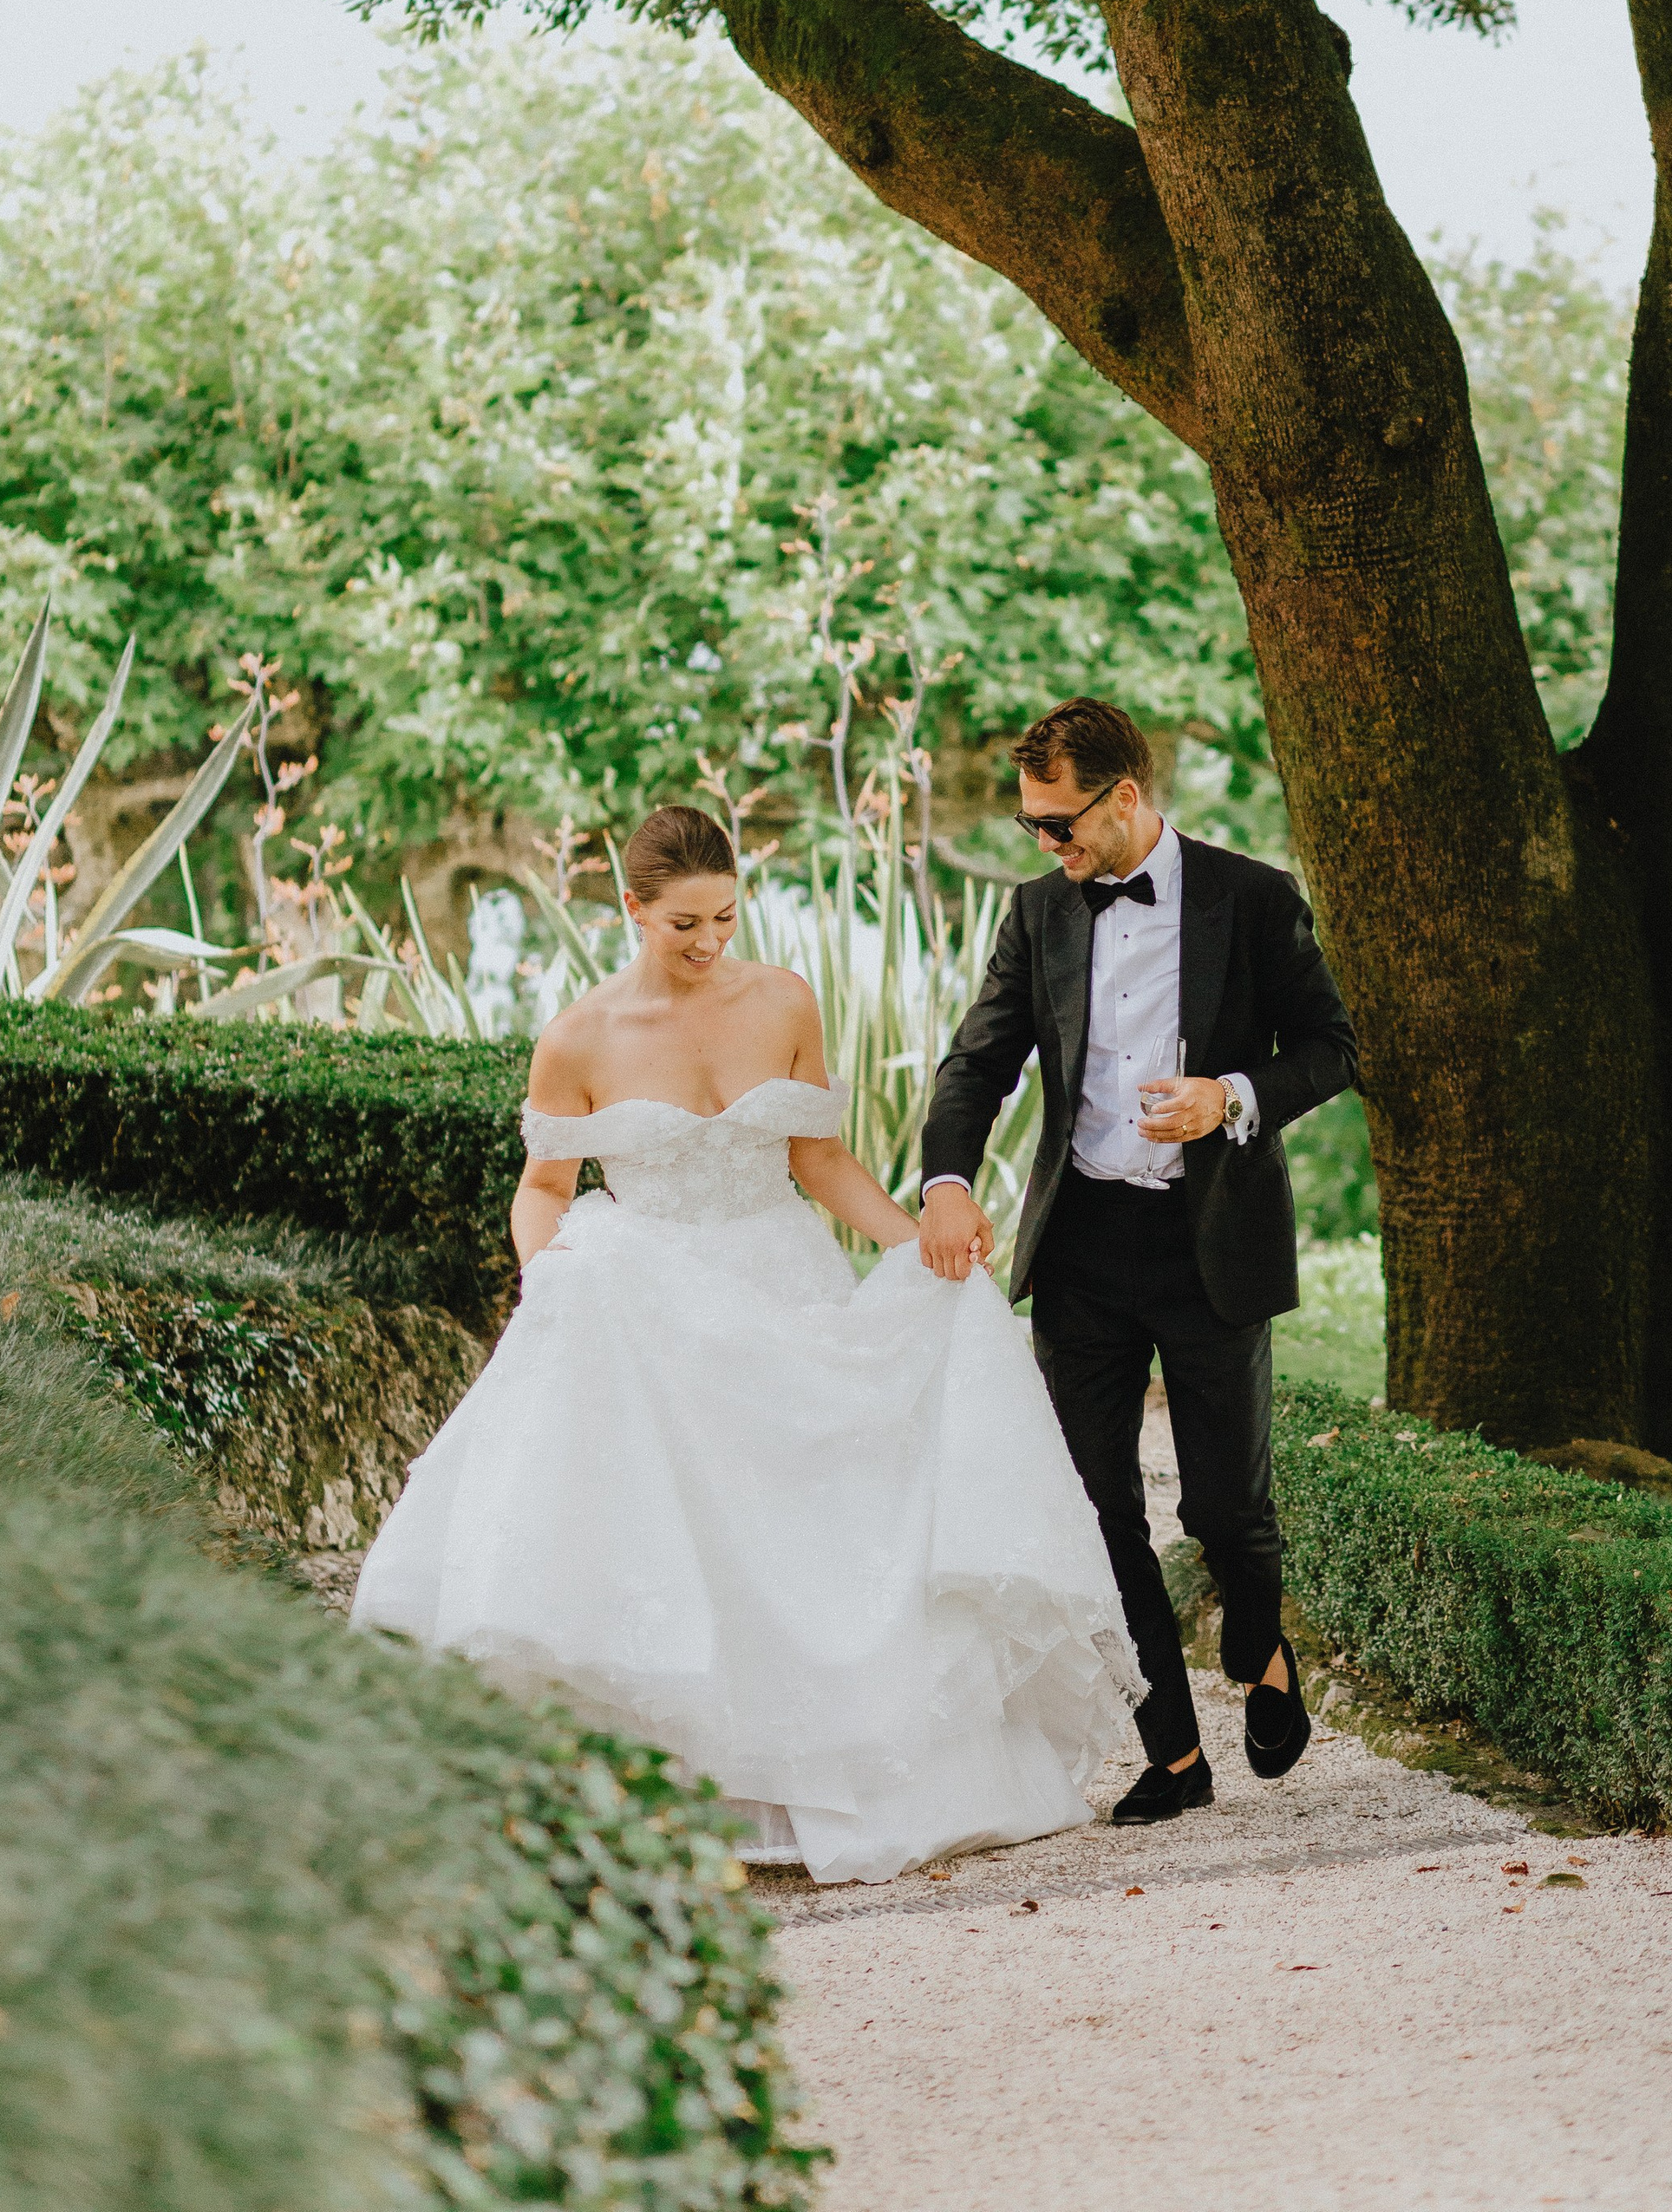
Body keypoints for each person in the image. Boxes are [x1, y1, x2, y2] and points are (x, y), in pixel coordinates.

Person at [349, 803, 1141, 1886]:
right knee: (683, 1548)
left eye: (725, 915)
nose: (711, 939)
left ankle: (850, 1776)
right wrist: (553, 1284)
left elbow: (819, 1161)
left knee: (820, 1536)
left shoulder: (783, 1000)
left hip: (779, 1280)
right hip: (650, 1307)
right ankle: (685, 1797)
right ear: (631, 909)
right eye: (683, 923)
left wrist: (920, 1251)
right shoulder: (579, 1037)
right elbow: (544, 1190)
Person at [920, 700, 1357, 1824]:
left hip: (1210, 1241)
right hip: (1082, 1247)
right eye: (1031, 827)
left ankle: (1260, 1651)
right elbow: (977, 1063)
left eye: (1059, 825)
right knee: (1096, 1504)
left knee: (1224, 1508)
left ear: (1125, 797)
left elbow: (1331, 1047)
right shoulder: (1037, 915)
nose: (1046, 847)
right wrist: (949, 1183)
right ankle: (1172, 1754)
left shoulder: (1249, 898)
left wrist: (1231, 1099)